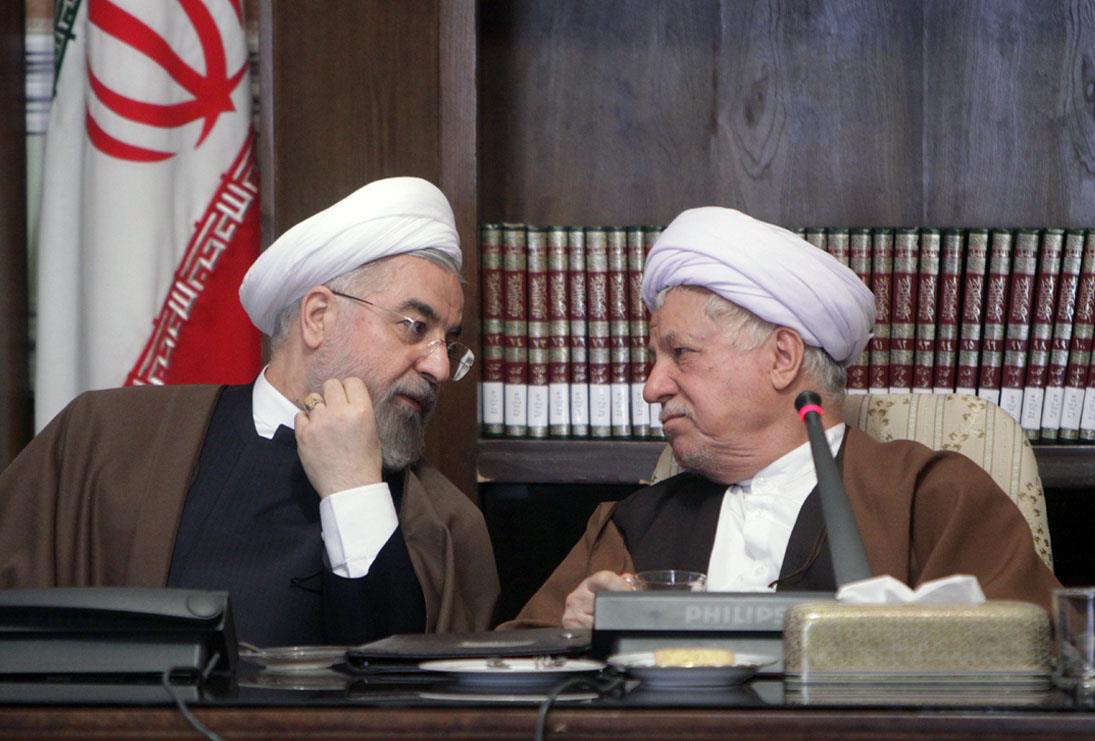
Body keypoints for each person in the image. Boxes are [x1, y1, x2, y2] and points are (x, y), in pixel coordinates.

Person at [503, 207, 1060, 630]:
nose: (652, 388)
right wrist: (579, 633)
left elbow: (1031, 657)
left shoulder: (932, 498)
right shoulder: (632, 525)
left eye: (682, 353)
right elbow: (517, 668)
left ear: (782, 358)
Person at [0, 176, 499, 646]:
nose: (439, 366)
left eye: (449, 344)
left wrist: (355, 491)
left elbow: (399, 685)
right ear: (318, 316)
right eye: (415, 327)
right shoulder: (105, 440)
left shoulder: (448, 526)